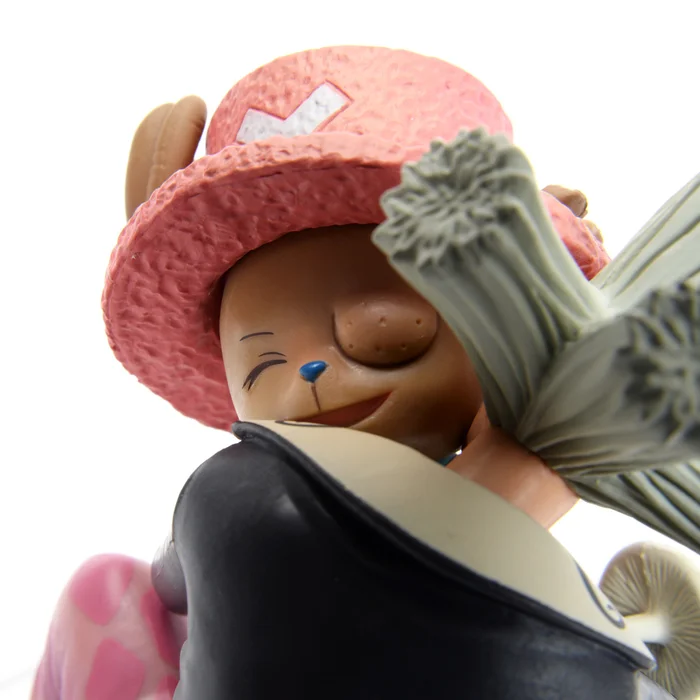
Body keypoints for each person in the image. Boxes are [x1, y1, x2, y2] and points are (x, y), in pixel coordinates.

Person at [32, 46, 660, 700]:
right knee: (105, 587)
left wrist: (521, 454)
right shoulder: (237, 490)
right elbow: (173, 582)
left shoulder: (502, 479)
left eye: (382, 336)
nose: (310, 371)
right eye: (263, 363)